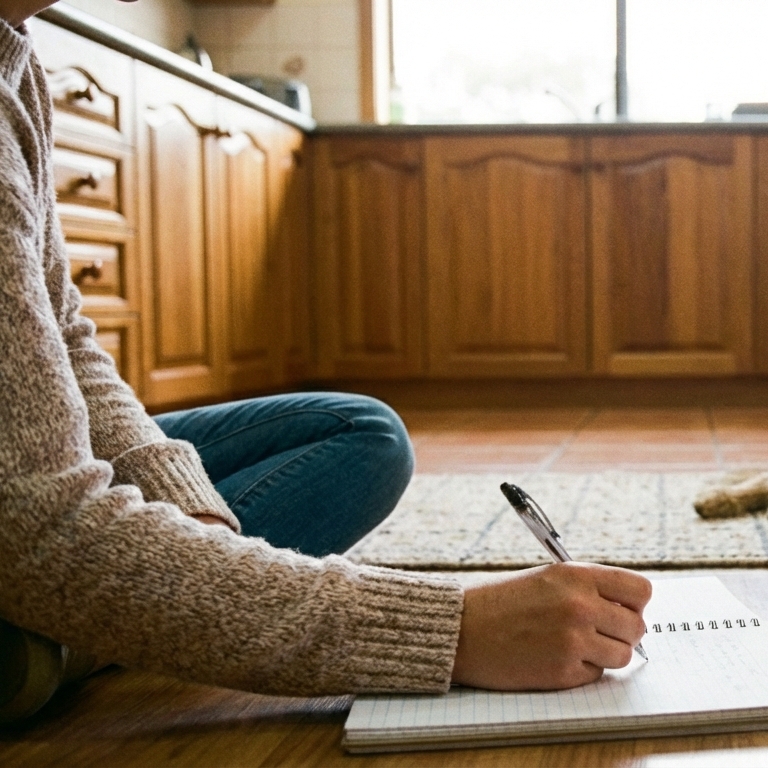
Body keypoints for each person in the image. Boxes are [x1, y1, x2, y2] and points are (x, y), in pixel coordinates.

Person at [0, 0, 650, 721]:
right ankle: (74, 632)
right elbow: (36, 523)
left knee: (360, 434)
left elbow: (65, 335)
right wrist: (456, 629)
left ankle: (70, 628)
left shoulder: (13, 52)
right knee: (57, 558)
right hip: (25, 519)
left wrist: (188, 508)